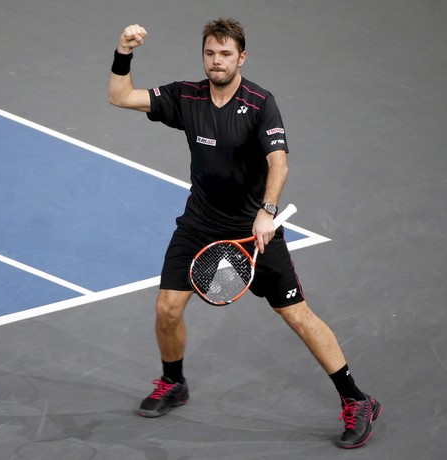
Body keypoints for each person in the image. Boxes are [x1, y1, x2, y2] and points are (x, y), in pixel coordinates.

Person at [108, 18, 381, 449]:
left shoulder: (259, 103)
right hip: (199, 224)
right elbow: (119, 96)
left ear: (241, 57)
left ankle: (357, 399)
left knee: (296, 315)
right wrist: (124, 50)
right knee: (166, 309)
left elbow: (279, 162)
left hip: (255, 230)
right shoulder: (186, 96)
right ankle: (173, 382)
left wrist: (267, 212)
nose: (217, 62)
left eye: (225, 54)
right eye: (210, 54)